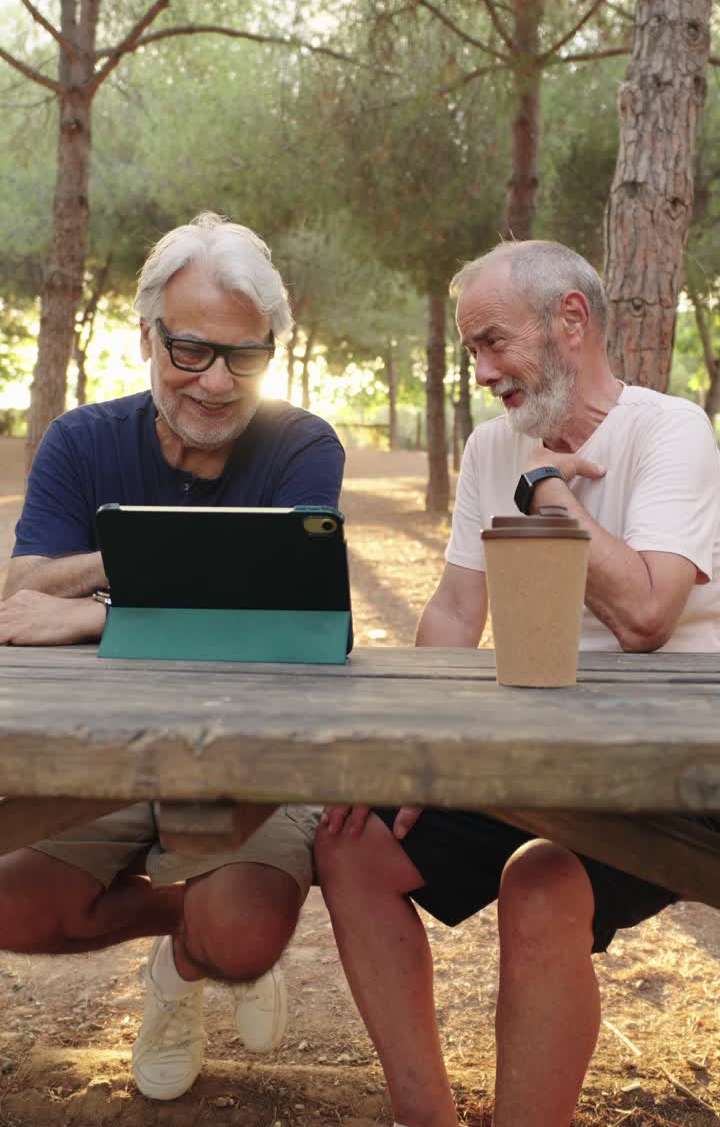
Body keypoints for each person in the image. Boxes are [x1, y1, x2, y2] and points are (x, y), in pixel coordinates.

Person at [315, 239, 720, 1127]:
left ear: (570, 321)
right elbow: (458, 611)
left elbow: (647, 618)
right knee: (350, 845)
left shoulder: (670, 430)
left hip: (666, 769)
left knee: (539, 884)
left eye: (495, 343)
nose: (484, 371)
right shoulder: (491, 448)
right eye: (471, 353)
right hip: (531, 752)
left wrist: (551, 499)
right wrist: (414, 755)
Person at [0, 212, 345, 1101]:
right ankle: (183, 931)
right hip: (102, 748)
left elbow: (286, 623)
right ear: (147, 336)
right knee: (11, 902)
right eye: (191, 351)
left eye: (245, 356)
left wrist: (96, 614)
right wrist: (141, 567)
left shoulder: (304, 446)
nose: (218, 383)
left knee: (240, 938)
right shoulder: (81, 441)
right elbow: (23, 596)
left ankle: (184, 973)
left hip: (255, 748)